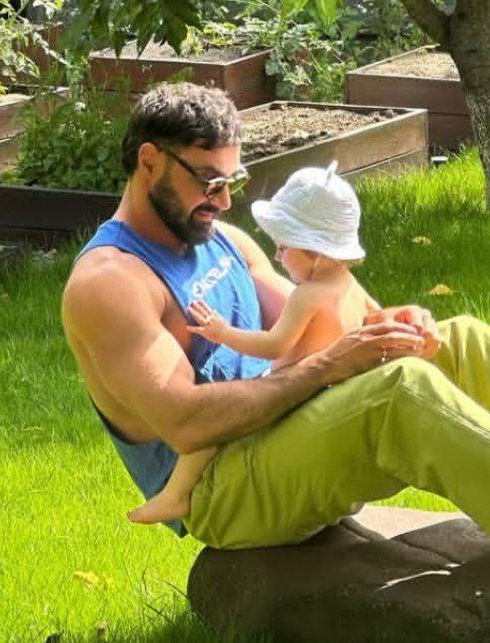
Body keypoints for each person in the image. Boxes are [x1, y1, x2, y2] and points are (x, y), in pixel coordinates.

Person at [61, 82, 490, 566]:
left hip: (278, 430)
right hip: (219, 489)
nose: (225, 200)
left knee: (460, 339)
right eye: (210, 182)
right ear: (149, 161)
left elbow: (318, 313)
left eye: (231, 181)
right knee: (398, 394)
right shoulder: (110, 285)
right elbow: (185, 423)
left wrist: (387, 326)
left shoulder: (224, 241)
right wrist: (333, 366)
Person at [127, 162, 383, 525]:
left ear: (315, 251)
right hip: (334, 390)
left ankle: (175, 495)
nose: (277, 257)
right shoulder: (349, 285)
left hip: (294, 392)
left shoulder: (307, 296)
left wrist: (222, 333)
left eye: (283, 248)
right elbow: (379, 317)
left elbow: (273, 346)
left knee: (216, 422)